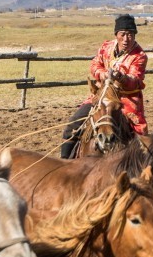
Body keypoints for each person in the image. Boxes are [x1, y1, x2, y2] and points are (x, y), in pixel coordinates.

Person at [59, 13, 148, 158]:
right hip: (101, 95)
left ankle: (139, 165)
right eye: (123, 34)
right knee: (72, 127)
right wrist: (102, 74)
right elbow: (95, 64)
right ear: (116, 34)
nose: (126, 39)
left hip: (126, 98)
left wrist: (123, 78)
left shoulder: (139, 56)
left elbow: (136, 79)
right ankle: (65, 163)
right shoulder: (106, 47)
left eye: (130, 35)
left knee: (141, 137)